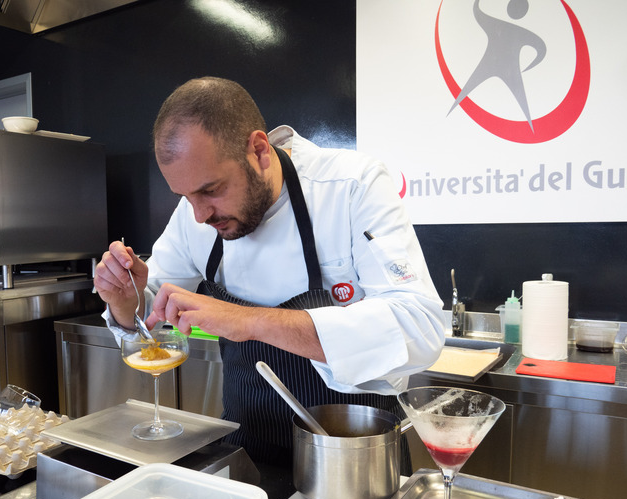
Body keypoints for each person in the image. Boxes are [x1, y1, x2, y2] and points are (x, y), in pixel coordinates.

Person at [94, 77, 444, 467]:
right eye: (186, 197)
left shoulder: (350, 186)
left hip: (355, 453)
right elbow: (149, 317)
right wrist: (126, 302)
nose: (199, 214)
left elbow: (419, 328)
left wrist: (248, 321)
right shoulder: (195, 214)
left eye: (211, 190)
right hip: (246, 449)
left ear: (260, 150)